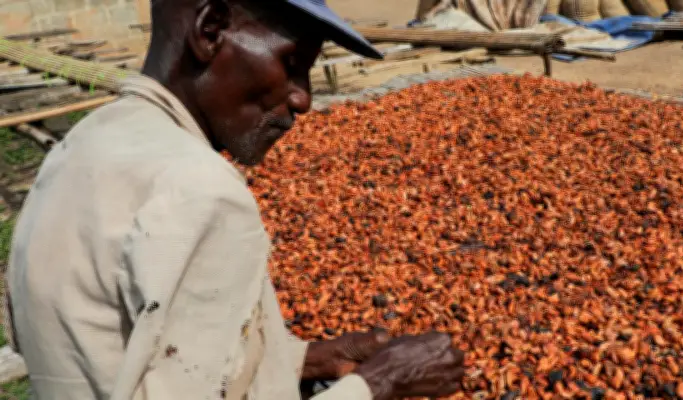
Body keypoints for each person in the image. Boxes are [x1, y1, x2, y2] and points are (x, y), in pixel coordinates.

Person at [3, 0, 465, 399]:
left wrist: (297, 360)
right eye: (290, 63)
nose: (303, 99)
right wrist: (381, 382)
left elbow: (117, 351)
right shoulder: (202, 189)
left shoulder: (78, 147)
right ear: (210, 30)